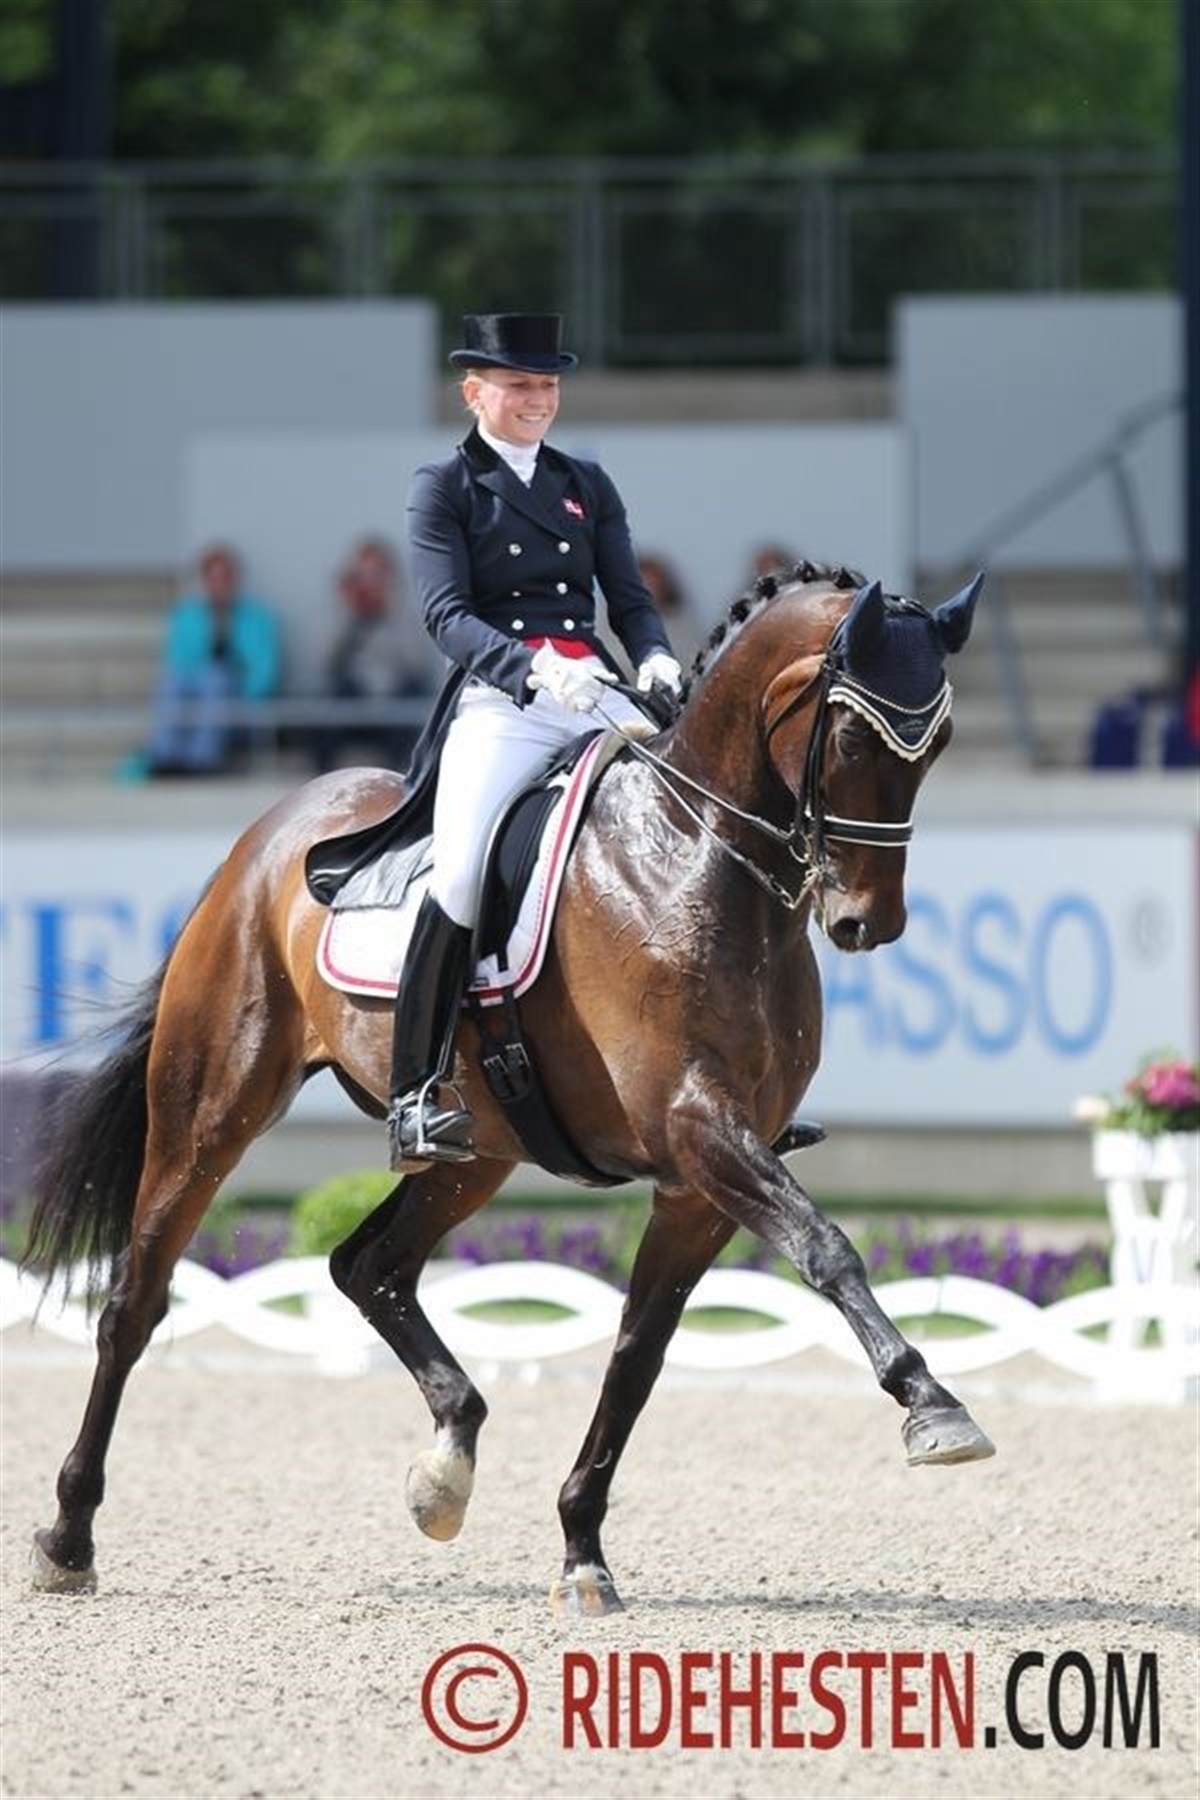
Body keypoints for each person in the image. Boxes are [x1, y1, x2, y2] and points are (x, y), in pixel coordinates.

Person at [385, 311, 683, 1170]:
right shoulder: (445, 486)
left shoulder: (586, 482)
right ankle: (415, 1094)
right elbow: (445, 615)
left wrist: (655, 657)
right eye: (519, 385)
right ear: (473, 392)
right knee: (460, 872)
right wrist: (534, 669)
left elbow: (628, 599)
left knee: (696, 822)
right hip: (505, 700)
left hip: (595, 689)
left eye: (547, 385)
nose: (537, 400)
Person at [143, 544, 281, 776]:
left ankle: (202, 760)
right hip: (195, 694)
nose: (219, 585)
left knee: (216, 678)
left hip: (241, 701)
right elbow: (179, 664)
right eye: (213, 578)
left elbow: (265, 672)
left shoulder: (258, 618)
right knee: (174, 684)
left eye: (225, 578)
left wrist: (240, 693)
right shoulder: (186, 617)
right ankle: (164, 755)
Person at [311, 536, 431, 773]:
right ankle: (322, 775)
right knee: (328, 704)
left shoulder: (407, 613)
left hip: (395, 696)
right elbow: (324, 664)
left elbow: (418, 665)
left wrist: (390, 609)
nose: (369, 585)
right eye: (363, 576)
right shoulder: (339, 612)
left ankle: (405, 777)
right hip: (354, 697)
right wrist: (351, 615)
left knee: (412, 698)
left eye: (376, 576)